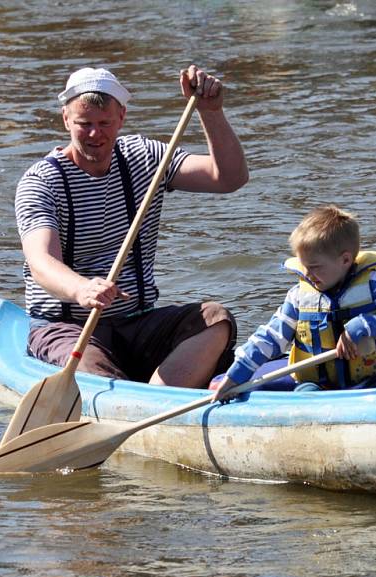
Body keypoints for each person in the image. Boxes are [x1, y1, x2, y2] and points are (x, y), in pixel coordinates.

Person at [14, 65, 248, 387]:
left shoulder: (145, 157)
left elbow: (229, 178)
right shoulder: (41, 181)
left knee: (216, 319)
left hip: (136, 322)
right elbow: (41, 263)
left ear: (121, 117)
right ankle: (129, 402)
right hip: (66, 327)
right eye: (84, 124)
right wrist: (82, 289)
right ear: (66, 119)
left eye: (105, 123)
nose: (95, 135)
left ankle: (161, 400)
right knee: (92, 368)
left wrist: (211, 112)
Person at [212, 205, 376, 400]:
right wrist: (235, 376)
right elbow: (271, 337)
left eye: (315, 266)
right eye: (304, 266)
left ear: (345, 260)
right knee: (305, 394)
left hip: (370, 379)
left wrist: (362, 326)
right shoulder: (299, 295)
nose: (307, 274)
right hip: (317, 385)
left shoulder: (374, 284)